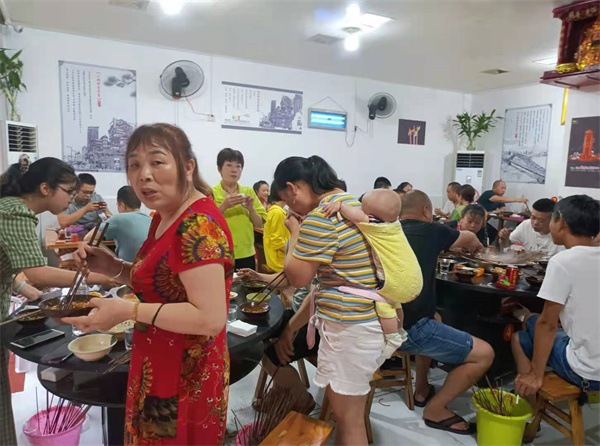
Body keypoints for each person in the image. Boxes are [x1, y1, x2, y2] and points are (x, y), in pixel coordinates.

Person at [64, 124, 232, 445]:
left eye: (157, 162)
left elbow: (210, 318)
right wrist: (114, 267)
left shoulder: (198, 225)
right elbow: (162, 285)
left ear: (187, 167)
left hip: (185, 374)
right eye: (134, 165)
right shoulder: (162, 215)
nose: (143, 175)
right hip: (158, 360)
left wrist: (129, 309)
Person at [0, 157, 114, 445]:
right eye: (69, 191)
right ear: (45, 188)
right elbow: (35, 271)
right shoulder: (16, 212)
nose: (72, 198)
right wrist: (93, 277)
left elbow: (11, 266)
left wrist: (30, 292)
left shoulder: (11, 208)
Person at [272, 155, 384, 445]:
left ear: (293, 188)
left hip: (350, 328)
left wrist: (295, 232)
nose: (290, 208)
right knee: (350, 416)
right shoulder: (353, 204)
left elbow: (296, 277)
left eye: (287, 201)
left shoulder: (322, 217)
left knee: (348, 421)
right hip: (367, 321)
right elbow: (323, 285)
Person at [399, 190, 494, 435]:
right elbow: (471, 238)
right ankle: (436, 409)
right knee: (485, 354)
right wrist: (479, 250)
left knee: (435, 317)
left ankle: (421, 389)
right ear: (426, 212)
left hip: (385, 323)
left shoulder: (390, 231)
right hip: (411, 329)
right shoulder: (433, 230)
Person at [512, 195, 600, 398]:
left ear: (560, 222)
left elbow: (548, 325)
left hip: (586, 371)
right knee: (528, 329)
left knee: (527, 330)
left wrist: (536, 372)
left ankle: (527, 398)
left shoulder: (563, 261)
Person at [321, 188, 422, 359]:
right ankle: (401, 329)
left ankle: (392, 338)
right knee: (396, 303)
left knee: (384, 304)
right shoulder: (395, 224)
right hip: (413, 279)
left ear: (371, 213)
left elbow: (356, 216)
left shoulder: (373, 223)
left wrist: (340, 206)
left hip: (395, 282)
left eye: (362, 206)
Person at [212, 148, 267, 270]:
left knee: (246, 287)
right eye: (229, 165)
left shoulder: (248, 192)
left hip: (246, 252)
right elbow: (206, 222)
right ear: (219, 169)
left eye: (238, 166)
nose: (234, 170)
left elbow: (259, 224)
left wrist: (251, 209)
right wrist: (223, 207)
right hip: (220, 251)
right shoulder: (211, 192)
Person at [84, 186, 151, 262]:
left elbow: (88, 239)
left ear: (122, 205)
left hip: (127, 269)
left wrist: (114, 259)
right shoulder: (151, 219)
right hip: (148, 268)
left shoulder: (118, 218)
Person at [498, 198, 564, 257]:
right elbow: (506, 245)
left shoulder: (561, 234)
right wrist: (504, 239)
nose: (535, 223)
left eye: (541, 220)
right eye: (533, 217)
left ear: (552, 220)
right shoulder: (526, 225)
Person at [263, 184, 289, 272]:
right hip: (278, 262)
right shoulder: (277, 213)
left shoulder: (276, 210)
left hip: (276, 258)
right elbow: (277, 241)